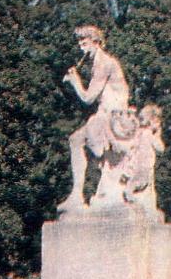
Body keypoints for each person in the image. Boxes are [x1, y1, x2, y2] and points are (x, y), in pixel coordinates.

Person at [60, 25, 132, 211]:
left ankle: (77, 195)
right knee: (76, 140)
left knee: (76, 140)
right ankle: (77, 195)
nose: (81, 47)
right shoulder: (99, 62)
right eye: (80, 43)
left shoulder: (103, 63)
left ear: (96, 42)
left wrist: (75, 82)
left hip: (112, 116)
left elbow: (88, 98)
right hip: (107, 114)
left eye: (84, 43)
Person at [122, 104, 165, 219]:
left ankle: (145, 206)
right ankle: (129, 192)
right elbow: (161, 148)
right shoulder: (149, 134)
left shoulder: (140, 132)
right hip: (144, 165)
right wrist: (158, 134)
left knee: (145, 186)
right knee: (143, 183)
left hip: (139, 164)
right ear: (152, 121)